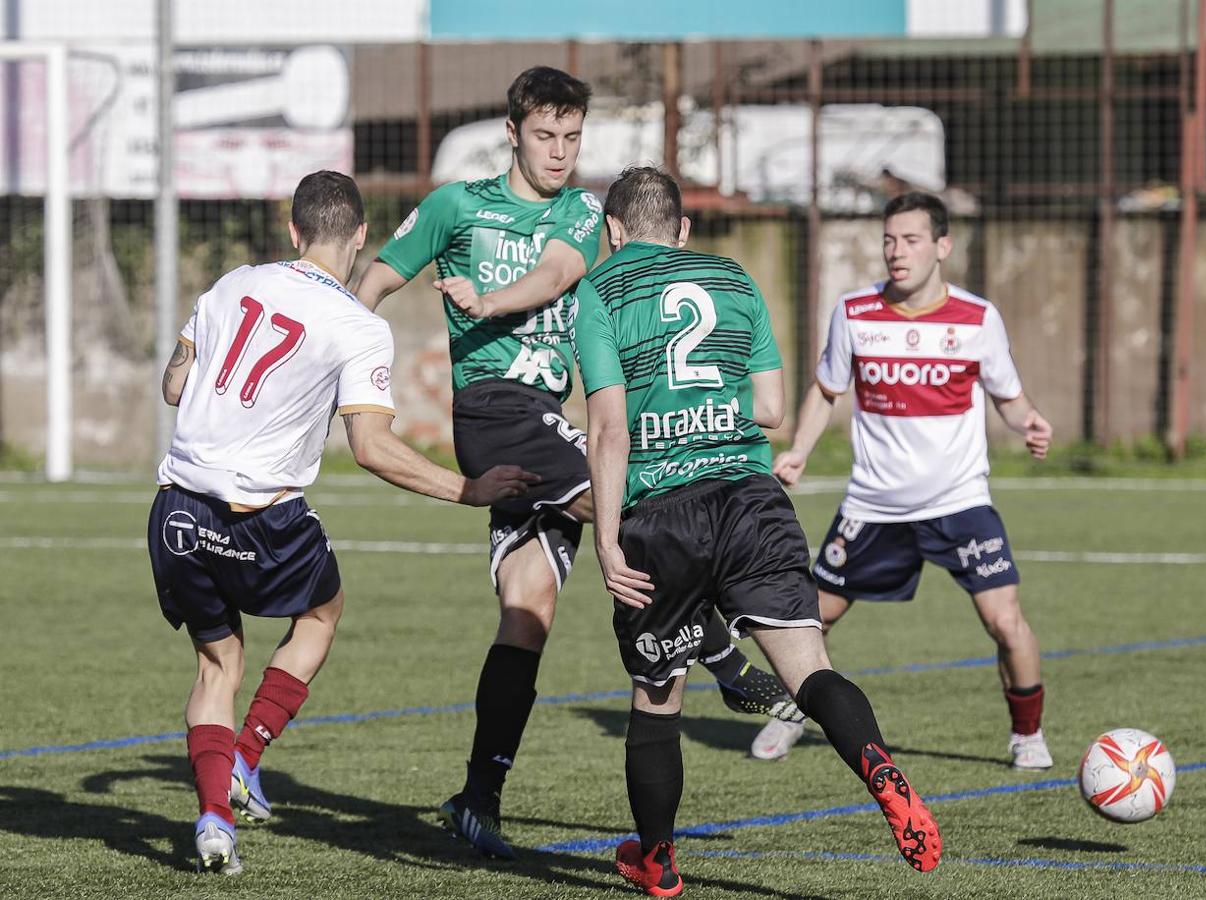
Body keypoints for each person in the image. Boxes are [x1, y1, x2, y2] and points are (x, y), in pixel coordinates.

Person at [352, 67, 801, 859]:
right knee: (630, 504)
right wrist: (341, 349)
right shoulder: (457, 206)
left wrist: (490, 302)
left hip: (547, 419)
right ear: (512, 131)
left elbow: (560, 273)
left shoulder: (587, 213)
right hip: (497, 411)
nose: (560, 152)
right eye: (544, 136)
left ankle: (477, 798)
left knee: (528, 609)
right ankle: (724, 653)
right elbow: (376, 282)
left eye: (572, 137)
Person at [149, 171, 536, 875]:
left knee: (218, 662)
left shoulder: (233, 283)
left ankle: (213, 818)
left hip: (176, 507)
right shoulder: (358, 325)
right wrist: (468, 488)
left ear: (294, 231)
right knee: (323, 611)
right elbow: (372, 448)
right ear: (360, 237)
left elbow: (175, 385)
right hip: (261, 516)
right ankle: (245, 757)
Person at [575, 166, 942, 896]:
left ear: (612, 232)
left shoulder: (600, 288)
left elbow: (609, 431)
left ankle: (659, 862)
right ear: (683, 229)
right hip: (750, 495)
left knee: (658, 696)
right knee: (809, 669)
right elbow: (771, 407)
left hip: (664, 512)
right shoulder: (735, 276)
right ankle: (880, 769)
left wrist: (607, 539)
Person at [772, 191, 1055, 770]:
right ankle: (793, 712)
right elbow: (828, 389)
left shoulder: (977, 318)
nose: (897, 252)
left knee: (1005, 621)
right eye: (889, 240)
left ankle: (1027, 734)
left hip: (960, 500)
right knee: (813, 617)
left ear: (942, 247)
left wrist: (1028, 420)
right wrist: (799, 451)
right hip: (874, 505)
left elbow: (1009, 394)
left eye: (912, 240)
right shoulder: (855, 313)